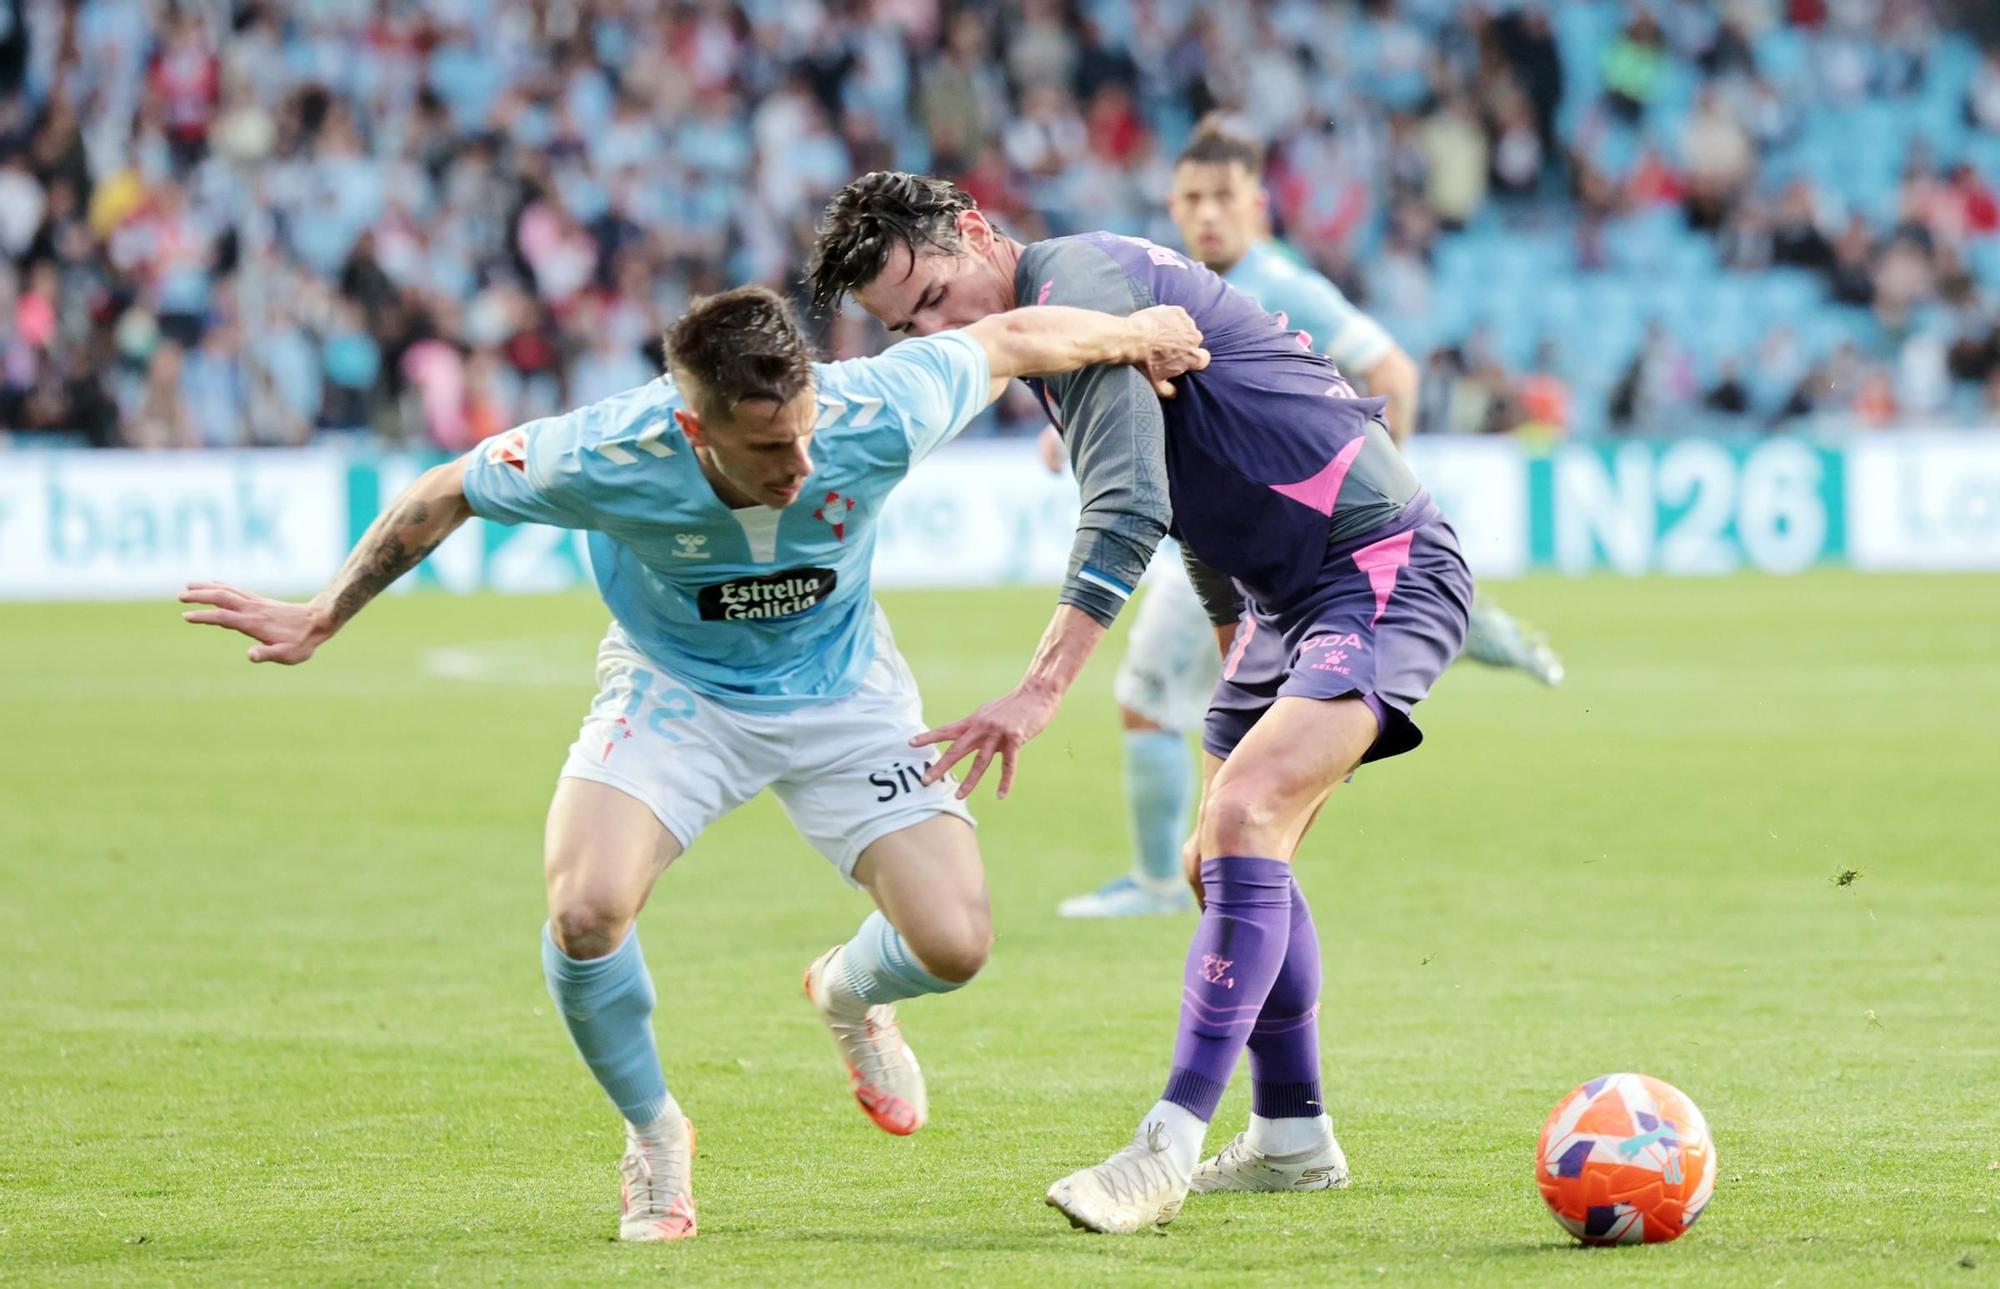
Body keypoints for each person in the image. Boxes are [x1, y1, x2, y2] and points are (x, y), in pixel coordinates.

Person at [180, 285, 1207, 1243]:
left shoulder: (871, 408)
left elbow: (1006, 340)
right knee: (585, 911)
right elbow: (448, 487)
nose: (800, 462)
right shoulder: (606, 452)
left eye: (804, 427)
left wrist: (1141, 328)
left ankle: (847, 992)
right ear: (692, 428)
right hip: (677, 693)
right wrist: (327, 609)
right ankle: (655, 1135)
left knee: (955, 944)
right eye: (767, 446)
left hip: (843, 690)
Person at [809, 173, 1472, 1234]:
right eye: (905, 326)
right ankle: (1293, 1137)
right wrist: (1231, 643)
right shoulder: (1061, 320)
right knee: (1215, 860)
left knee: (1244, 814)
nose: (938, 334)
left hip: (1375, 564)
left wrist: (1035, 691)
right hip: (1280, 595)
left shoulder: (1075, 288)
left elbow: (1127, 503)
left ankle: (1165, 1143)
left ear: (977, 233)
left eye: (936, 297)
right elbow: (1198, 487)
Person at [1049, 118, 1561, 922]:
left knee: (1162, 698)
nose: (1207, 214)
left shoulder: (1278, 282)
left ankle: (1182, 879)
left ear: (1259, 206)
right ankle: (1211, 871)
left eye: (1224, 198)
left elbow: (1393, 369)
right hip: (1231, 532)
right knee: (1206, 717)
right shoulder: (1165, 284)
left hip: (1275, 536)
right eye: (1190, 198)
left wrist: (1375, 497)